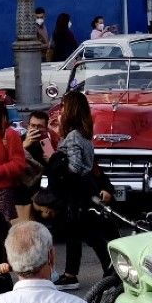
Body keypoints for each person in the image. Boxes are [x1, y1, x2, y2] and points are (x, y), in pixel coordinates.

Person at [45, 89, 102, 289]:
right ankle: (73, 273)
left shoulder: (74, 136)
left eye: (63, 107)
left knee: (82, 233)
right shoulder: (85, 135)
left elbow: (76, 166)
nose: (60, 112)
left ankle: (72, 275)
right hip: (85, 190)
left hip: (76, 193)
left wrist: (57, 163)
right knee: (83, 233)